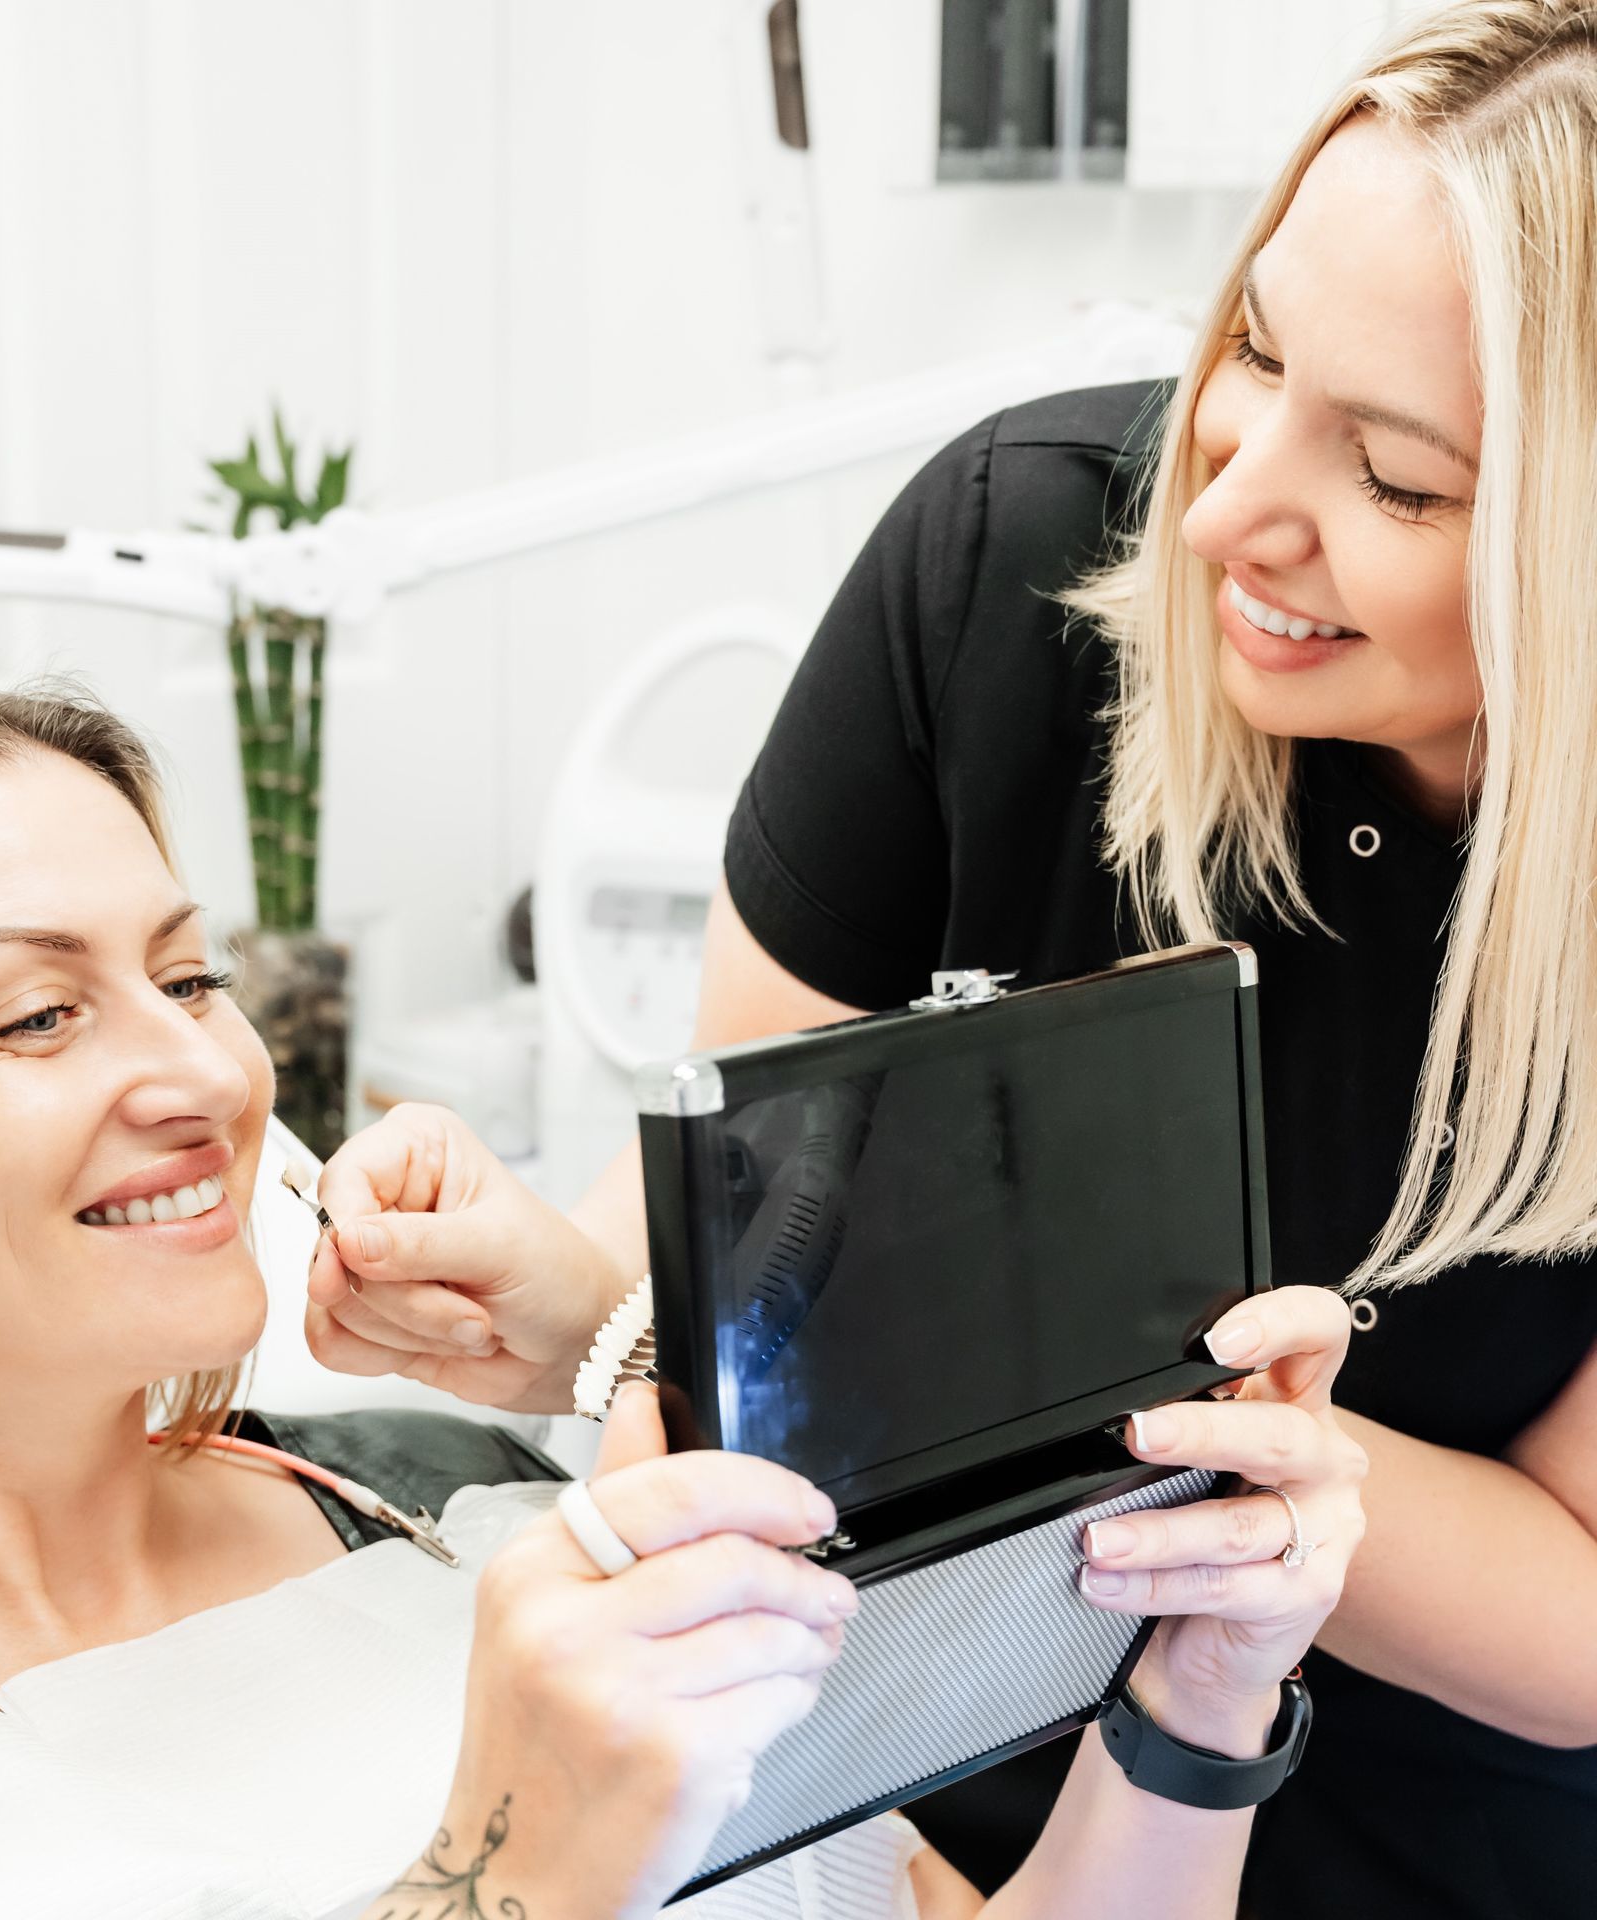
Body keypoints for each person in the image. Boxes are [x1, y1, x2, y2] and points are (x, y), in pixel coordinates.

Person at [302, 6, 1597, 1918]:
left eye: (1398, 479)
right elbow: (761, 1233)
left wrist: (1245, 1475)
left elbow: (1574, 1617)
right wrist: (610, 1315)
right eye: (1252, 344)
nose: (1223, 507)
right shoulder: (1014, 563)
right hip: (891, 1794)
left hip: (1421, 1842)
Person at [0, 681, 1362, 1919]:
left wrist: (1194, 1709)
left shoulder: (465, 1507)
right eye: (38, 1016)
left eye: (191, 977)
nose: (200, 1066)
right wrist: (524, 1868)